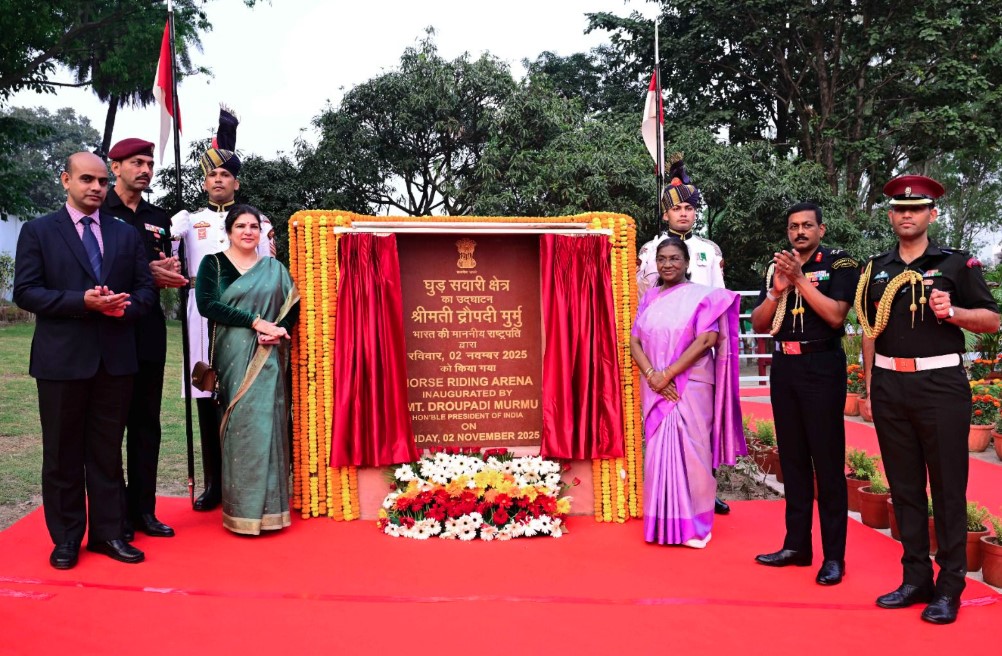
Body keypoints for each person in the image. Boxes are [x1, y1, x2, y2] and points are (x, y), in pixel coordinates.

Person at [858, 175, 999, 624]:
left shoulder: (956, 264)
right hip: (889, 386)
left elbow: (992, 320)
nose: (906, 215)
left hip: (939, 387)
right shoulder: (876, 268)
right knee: (904, 489)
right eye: (899, 209)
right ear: (891, 215)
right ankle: (915, 578)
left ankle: (950, 584)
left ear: (931, 214)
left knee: (947, 488)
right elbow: (869, 328)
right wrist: (868, 384)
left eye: (915, 209)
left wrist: (952, 311)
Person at [13, 152, 156, 568]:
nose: (96, 188)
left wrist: (121, 308)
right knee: (62, 454)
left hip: (115, 361)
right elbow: (26, 291)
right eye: (87, 180)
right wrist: (83, 302)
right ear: (66, 180)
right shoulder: (39, 231)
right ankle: (67, 538)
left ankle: (109, 535)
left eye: (102, 181)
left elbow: (146, 292)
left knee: (107, 453)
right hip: (61, 362)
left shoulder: (125, 235)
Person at [170, 107, 274, 511]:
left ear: (236, 181)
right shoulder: (187, 219)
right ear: (204, 181)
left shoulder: (256, 223)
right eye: (212, 175)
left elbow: (266, 272)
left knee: (244, 397)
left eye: (225, 175)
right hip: (201, 318)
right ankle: (214, 482)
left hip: (245, 318)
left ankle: (245, 480)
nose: (218, 180)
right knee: (205, 394)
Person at [750, 202, 859, 585]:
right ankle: (796, 545)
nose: (800, 232)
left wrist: (799, 279)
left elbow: (835, 316)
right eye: (793, 226)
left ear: (821, 230)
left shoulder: (840, 264)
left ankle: (834, 557)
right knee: (792, 460)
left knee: (827, 464)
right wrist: (776, 292)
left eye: (807, 226)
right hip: (786, 368)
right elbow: (760, 324)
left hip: (821, 366)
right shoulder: (777, 265)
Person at [629, 237, 744, 547]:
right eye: (663, 259)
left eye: (675, 259)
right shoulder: (650, 298)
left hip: (690, 386)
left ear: (687, 263)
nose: (668, 264)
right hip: (656, 388)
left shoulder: (703, 297)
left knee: (693, 453)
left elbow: (706, 340)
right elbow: (635, 342)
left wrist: (668, 374)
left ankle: (695, 525)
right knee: (657, 456)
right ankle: (663, 523)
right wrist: (654, 375)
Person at [102, 138, 188, 541]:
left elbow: (162, 269)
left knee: (146, 426)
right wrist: (144, 274)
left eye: (150, 164)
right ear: (114, 166)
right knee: (109, 425)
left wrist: (169, 270)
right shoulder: (99, 210)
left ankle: (144, 512)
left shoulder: (159, 216)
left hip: (149, 330)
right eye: (136, 162)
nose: (146, 170)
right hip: (110, 330)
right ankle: (114, 515)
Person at [636, 154, 731, 515]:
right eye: (678, 209)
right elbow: (647, 304)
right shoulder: (649, 252)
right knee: (664, 428)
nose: (685, 214)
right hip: (661, 354)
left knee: (701, 428)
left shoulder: (708, 251)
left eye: (691, 208)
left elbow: (719, 302)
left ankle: (706, 488)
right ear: (666, 215)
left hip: (698, 354)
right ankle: (665, 493)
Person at [195, 205, 299, 534]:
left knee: (269, 421)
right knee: (240, 422)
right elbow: (207, 305)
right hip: (233, 354)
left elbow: (291, 303)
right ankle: (241, 511)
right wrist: (254, 321)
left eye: (253, 226)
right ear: (229, 231)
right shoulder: (213, 263)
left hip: (269, 354)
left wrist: (278, 329)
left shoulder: (273, 267)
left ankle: (272, 510)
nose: (247, 232)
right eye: (240, 226)